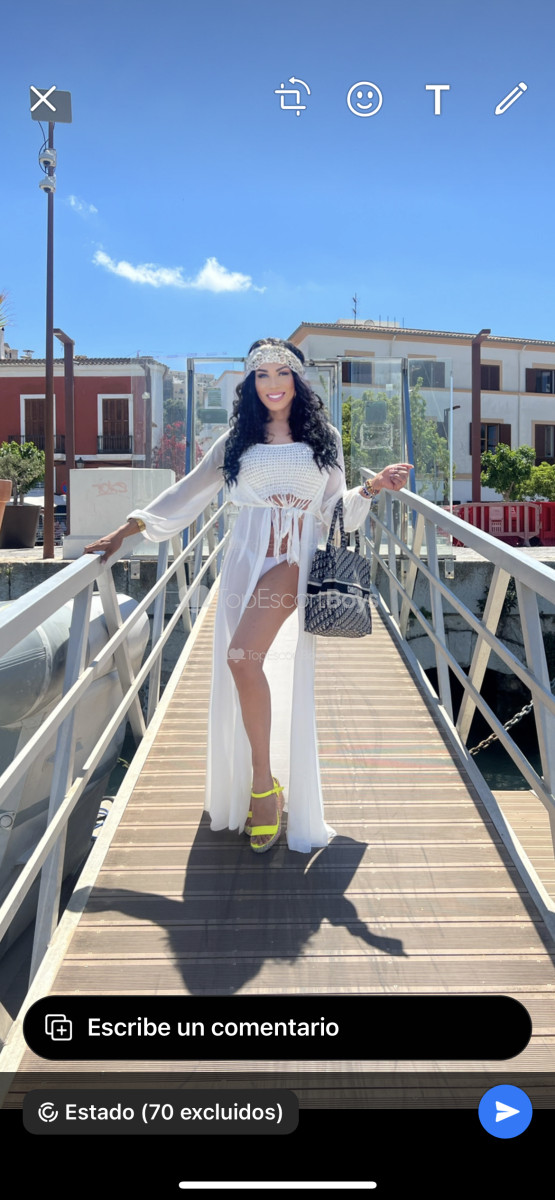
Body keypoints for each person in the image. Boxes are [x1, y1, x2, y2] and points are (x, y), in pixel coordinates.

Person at [84, 338, 412, 854]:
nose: (272, 384)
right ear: (251, 383)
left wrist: (373, 488)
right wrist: (126, 531)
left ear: (297, 380)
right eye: (262, 375)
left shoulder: (324, 438)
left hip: (293, 560)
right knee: (246, 665)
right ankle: (264, 778)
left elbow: (335, 511)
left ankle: (263, 785)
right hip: (244, 560)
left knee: (241, 657)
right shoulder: (236, 439)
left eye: (282, 373)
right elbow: (188, 491)